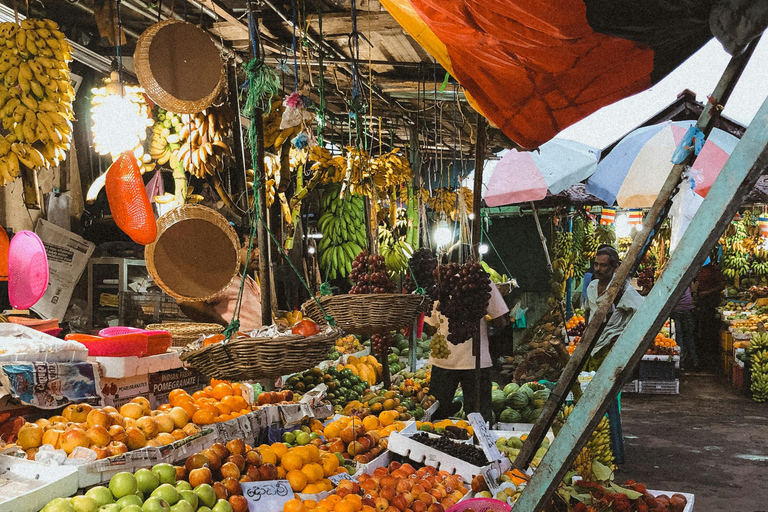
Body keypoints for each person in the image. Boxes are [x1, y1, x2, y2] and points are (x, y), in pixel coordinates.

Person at [425, 283, 509, 421]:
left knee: (436, 417)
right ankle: (478, 442)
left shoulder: (442, 281)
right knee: (480, 419)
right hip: (476, 360)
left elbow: (432, 327)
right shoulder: (481, 281)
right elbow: (500, 322)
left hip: (444, 360)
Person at [584, 246, 645, 369]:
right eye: (596, 264)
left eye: (603, 265)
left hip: (610, 349)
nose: (598, 269)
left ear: (614, 268)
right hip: (590, 347)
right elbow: (587, 310)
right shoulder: (591, 286)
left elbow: (644, 313)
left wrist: (624, 336)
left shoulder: (623, 290)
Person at [693, 261, 726, 371]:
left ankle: (710, 356)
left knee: (709, 328)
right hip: (702, 302)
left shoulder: (714, 271)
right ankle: (703, 354)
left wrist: (708, 292)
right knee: (702, 328)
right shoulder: (698, 269)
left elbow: (722, 285)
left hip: (711, 302)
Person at [671, 287, 698, 371]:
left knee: (679, 337)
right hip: (687, 309)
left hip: (677, 311)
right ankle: (695, 361)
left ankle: (680, 363)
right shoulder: (685, 278)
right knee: (689, 337)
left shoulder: (671, 280)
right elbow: (693, 288)